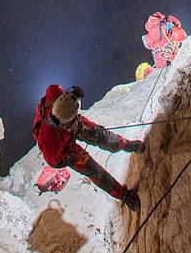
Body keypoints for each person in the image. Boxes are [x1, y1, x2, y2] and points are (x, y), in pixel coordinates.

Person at [32, 84, 145, 212]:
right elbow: (54, 161)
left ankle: (128, 145)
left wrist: (75, 95)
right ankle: (123, 195)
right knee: (94, 171)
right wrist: (72, 158)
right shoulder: (48, 139)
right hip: (65, 148)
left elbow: (53, 88)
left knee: (103, 137)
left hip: (73, 125)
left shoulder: (56, 95)